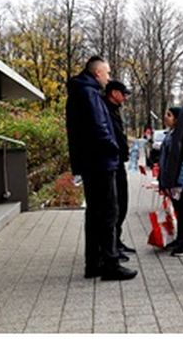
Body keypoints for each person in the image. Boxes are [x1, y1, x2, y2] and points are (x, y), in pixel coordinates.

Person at [65, 56, 134, 281]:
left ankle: (93, 263)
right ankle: (110, 264)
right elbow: (99, 127)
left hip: (90, 162)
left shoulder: (80, 91)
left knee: (94, 213)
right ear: (97, 74)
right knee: (107, 211)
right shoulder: (90, 93)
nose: (109, 77)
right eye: (107, 73)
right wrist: (113, 148)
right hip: (101, 162)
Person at [103, 80, 138, 255]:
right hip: (112, 163)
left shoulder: (114, 110)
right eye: (123, 93)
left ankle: (117, 240)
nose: (125, 97)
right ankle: (112, 246)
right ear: (114, 93)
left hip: (118, 162)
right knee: (115, 205)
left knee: (122, 203)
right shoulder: (106, 110)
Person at [158, 106, 183, 257]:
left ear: (177, 119)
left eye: (169, 115)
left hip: (180, 181)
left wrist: (177, 181)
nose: (166, 117)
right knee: (179, 211)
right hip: (172, 180)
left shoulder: (181, 136)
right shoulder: (171, 134)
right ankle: (180, 239)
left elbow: (181, 161)